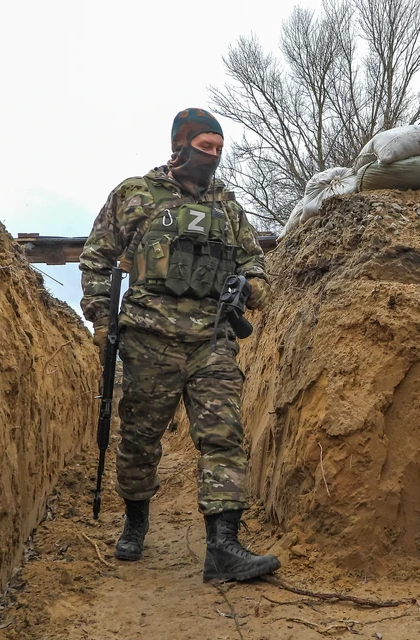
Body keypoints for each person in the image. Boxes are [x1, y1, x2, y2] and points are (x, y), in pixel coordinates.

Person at [79, 108, 280, 581]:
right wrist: (103, 321)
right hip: (149, 337)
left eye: (218, 150)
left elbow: (256, 262)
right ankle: (135, 522)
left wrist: (251, 287)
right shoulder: (135, 195)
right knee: (140, 439)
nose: (212, 157)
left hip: (211, 339)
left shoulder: (228, 207)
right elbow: (96, 257)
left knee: (223, 437)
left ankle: (223, 546)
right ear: (179, 147)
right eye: (204, 147)